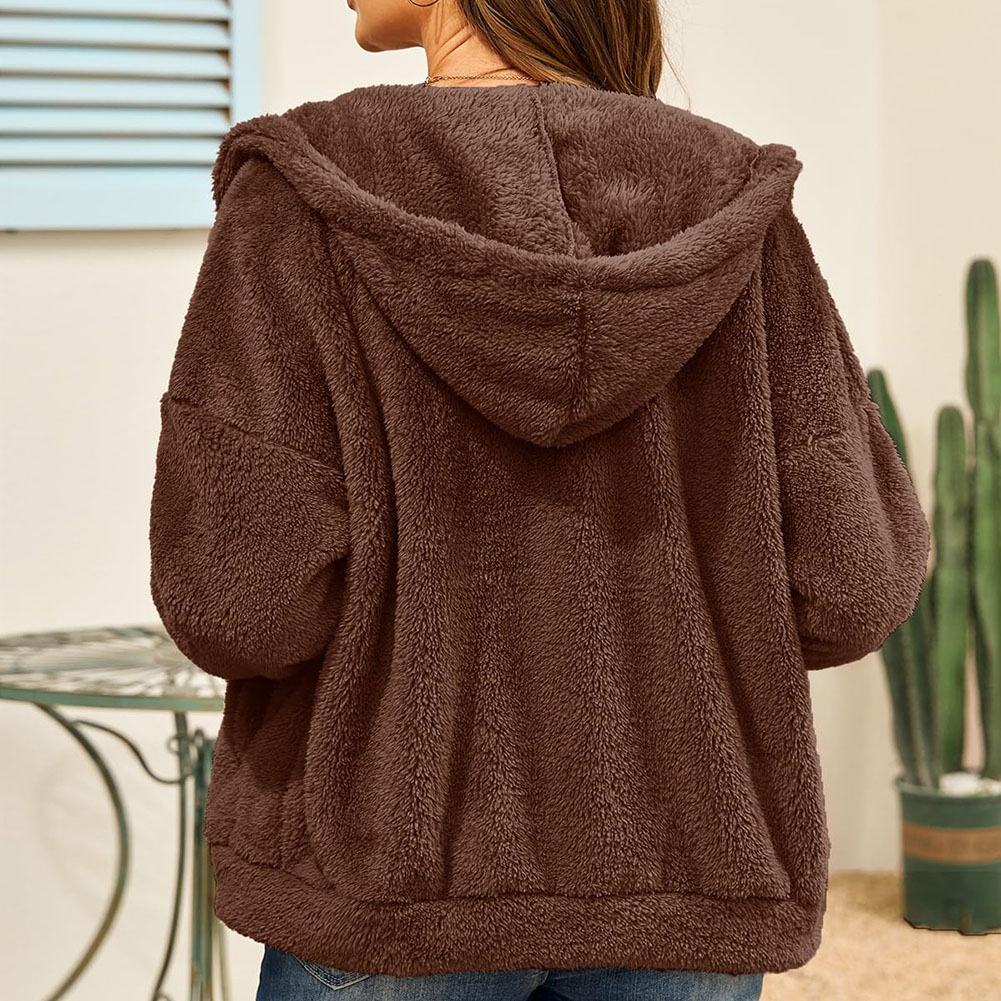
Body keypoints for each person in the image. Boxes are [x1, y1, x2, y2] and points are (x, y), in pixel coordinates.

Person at [147, 0, 931, 998]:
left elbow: (241, 603)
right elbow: (850, 587)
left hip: (389, 878)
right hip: (688, 867)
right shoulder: (734, 205)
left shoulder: (303, 196)